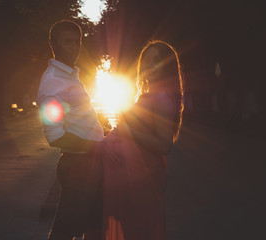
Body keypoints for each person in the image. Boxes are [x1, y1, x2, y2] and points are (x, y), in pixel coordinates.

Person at [101, 40, 184, 240]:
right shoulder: (148, 94)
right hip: (130, 180)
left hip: (143, 181)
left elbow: (165, 145)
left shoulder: (163, 98)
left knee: (139, 232)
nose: (150, 65)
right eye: (146, 61)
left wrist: (129, 132)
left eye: (156, 60)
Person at [37, 20, 104, 240]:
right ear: (52, 44)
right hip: (78, 167)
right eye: (68, 42)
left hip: (89, 164)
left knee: (94, 227)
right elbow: (55, 135)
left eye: (78, 42)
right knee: (64, 232)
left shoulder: (68, 77)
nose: (74, 47)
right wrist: (96, 146)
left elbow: (78, 120)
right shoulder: (54, 83)